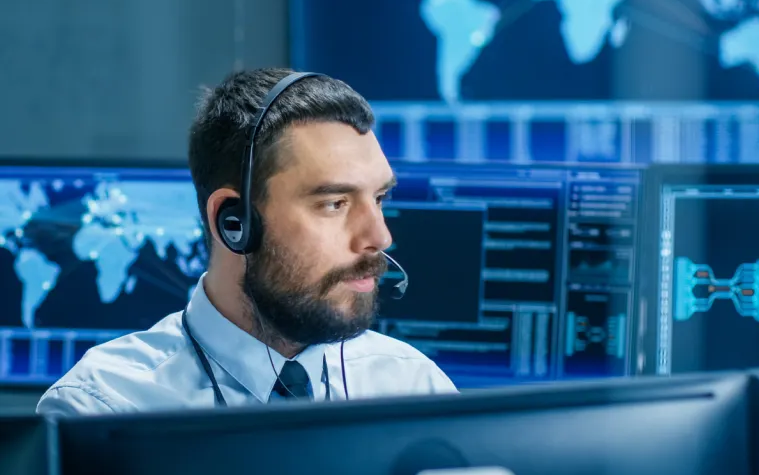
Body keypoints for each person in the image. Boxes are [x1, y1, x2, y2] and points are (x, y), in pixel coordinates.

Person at [37, 68, 457, 415]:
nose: (379, 236)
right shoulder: (100, 411)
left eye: (380, 198)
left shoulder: (415, 388)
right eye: (334, 203)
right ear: (233, 222)